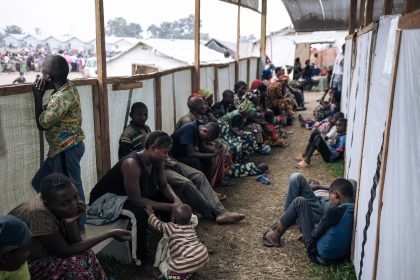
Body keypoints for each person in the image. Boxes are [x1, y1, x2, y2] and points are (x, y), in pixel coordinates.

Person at [117, 103, 245, 224]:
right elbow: (126, 158)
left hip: (166, 160)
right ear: (131, 115)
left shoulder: (145, 128)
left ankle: (221, 211)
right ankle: (211, 214)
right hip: (153, 167)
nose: (143, 117)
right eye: (139, 115)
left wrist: (166, 158)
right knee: (185, 183)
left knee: (198, 175)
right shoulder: (127, 134)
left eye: (145, 114)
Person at [10, 173, 131, 279]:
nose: (74, 204)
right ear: (48, 205)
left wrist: (70, 222)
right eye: (66, 202)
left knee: (86, 253)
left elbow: (76, 242)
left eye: (75, 197)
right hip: (22, 264)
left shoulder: (55, 199)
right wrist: (110, 234)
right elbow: (65, 251)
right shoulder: (38, 213)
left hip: (47, 253)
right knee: (74, 263)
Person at [90, 131, 184, 266]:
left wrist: (176, 201)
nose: (166, 155)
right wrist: (170, 207)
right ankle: (140, 261)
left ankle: (175, 243)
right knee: (139, 214)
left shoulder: (157, 160)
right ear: (153, 149)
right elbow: (136, 200)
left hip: (129, 196)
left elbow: (164, 185)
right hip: (107, 200)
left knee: (168, 199)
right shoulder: (131, 164)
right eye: (164, 152)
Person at [31, 55, 86, 230]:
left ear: (49, 78)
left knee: (73, 187)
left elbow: (43, 123)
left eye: (43, 72)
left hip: (66, 149)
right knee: (39, 182)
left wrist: (38, 96)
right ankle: (62, 218)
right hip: (63, 148)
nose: (40, 77)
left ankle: (78, 224)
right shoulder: (67, 87)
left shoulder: (61, 97)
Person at [262, 173, 355, 265]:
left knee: (299, 202)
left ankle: (275, 236)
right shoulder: (353, 208)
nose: (330, 198)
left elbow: (314, 234)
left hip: (318, 255)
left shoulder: (333, 212)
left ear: (336, 195)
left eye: (331, 195)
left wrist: (306, 226)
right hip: (340, 258)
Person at [145, 204, 209, 279]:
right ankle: (189, 271)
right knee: (188, 262)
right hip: (202, 256)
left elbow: (158, 224)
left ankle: (176, 277)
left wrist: (151, 215)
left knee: (169, 267)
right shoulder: (191, 228)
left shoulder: (172, 228)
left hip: (188, 260)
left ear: (173, 218)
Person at [0, 215, 31, 280]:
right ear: (4, 257)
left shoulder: (15, 264)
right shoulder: (13, 263)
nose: (29, 253)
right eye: (25, 250)